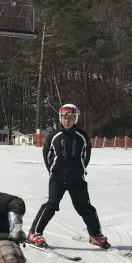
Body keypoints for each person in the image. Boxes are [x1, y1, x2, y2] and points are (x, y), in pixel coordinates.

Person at [28, 104, 110, 249]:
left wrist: (79, 170)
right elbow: (47, 156)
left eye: (71, 118)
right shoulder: (54, 136)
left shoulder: (82, 136)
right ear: (61, 118)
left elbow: (86, 156)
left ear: (75, 118)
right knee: (51, 204)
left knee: (85, 207)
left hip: (76, 179)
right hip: (57, 177)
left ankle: (95, 235)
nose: (67, 121)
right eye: (65, 118)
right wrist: (53, 171)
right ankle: (34, 233)